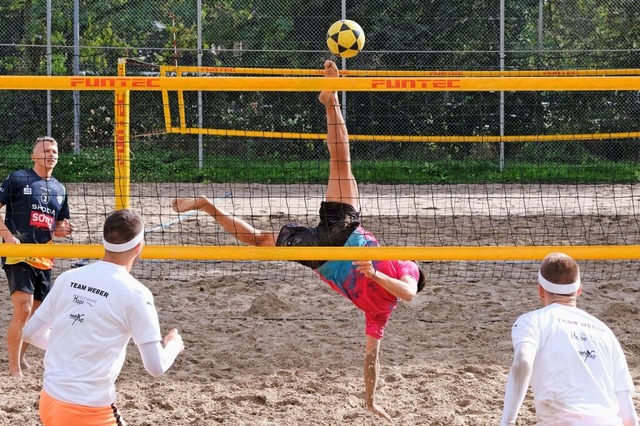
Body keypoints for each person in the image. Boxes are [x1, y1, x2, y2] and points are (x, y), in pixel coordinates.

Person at [171, 60, 426, 422]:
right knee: (338, 165)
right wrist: (370, 399)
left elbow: (404, 302)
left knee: (334, 169)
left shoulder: (403, 278)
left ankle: (208, 204)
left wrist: (370, 400)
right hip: (329, 244)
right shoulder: (381, 311)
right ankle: (330, 100)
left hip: (336, 239)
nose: (411, 271)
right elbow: (378, 345)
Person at [23, 208, 184, 426]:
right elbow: (155, 367)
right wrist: (173, 344)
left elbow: (31, 333)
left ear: (104, 241)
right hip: (87, 412)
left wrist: (74, 345)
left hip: (49, 402)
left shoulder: (68, 278)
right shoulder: (136, 294)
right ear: (139, 246)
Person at [500, 252, 639, 426]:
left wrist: (507, 422)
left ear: (540, 291)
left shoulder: (532, 321)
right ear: (578, 290)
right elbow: (630, 418)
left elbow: (523, 363)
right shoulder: (605, 332)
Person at [0, 136, 74, 377]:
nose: (51, 154)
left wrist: (63, 229)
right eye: (45, 151)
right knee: (24, 308)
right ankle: (13, 369)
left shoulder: (60, 189)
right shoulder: (18, 178)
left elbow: (58, 225)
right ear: (33, 156)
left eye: (54, 151)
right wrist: (9, 238)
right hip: (19, 253)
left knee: (37, 316)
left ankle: (21, 356)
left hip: (44, 256)